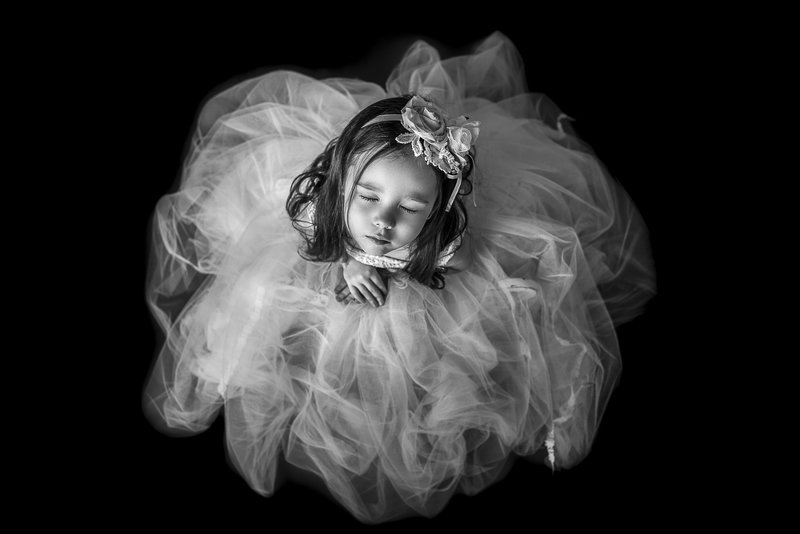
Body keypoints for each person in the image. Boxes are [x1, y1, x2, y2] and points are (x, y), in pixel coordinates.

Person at [143, 32, 656, 524]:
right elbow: (313, 234)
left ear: (436, 212)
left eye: (410, 208)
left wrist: (408, 265)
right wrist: (350, 260)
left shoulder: (446, 240)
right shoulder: (320, 207)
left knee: (457, 356)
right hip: (338, 231)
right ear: (344, 182)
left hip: (423, 261)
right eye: (368, 197)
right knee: (261, 296)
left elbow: (456, 264)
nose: (384, 221)